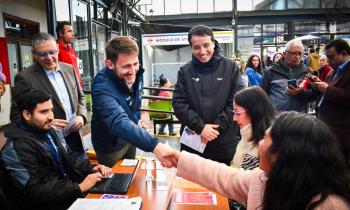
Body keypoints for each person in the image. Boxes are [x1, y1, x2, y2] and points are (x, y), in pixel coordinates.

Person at [167, 112, 350, 210]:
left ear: (282, 153)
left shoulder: (330, 205)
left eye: (265, 139)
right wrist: (177, 158)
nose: (259, 143)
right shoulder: (262, 180)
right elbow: (224, 176)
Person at [0, 89, 112, 210]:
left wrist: (91, 168)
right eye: (43, 112)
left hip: (67, 195)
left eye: (51, 110)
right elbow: (34, 191)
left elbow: (70, 156)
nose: (51, 117)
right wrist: (79, 187)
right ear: (27, 114)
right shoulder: (17, 148)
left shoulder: (49, 130)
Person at [92, 36, 176, 168]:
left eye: (135, 64)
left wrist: (136, 119)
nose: (132, 71)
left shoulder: (136, 71)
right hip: (111, 146)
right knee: (114, 184)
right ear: (109, 64)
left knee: (131, 173)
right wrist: (155, 145)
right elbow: (117, 121)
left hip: (131, 138)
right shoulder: (101, 87)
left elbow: (136, 98)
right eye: (126, 66)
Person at [173, 25, 243, 166]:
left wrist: (214, 128)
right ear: (191, 48)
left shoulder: (230, 68)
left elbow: (236, 102)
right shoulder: (185, 71)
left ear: (213, 43)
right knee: (189, 186)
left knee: (220, 185)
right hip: (193, 143)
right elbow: (179, 103)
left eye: (206, 45)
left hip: (223, 142)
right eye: (196, 47)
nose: (202, 51)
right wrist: (200, 127)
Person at [10, 32, 87, 156]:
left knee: (82, 171)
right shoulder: (24, 78)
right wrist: (45, 123)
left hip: (75, 138)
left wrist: (81, 116)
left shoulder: (69, 69)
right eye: (42, 54)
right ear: (34, 54)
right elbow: (16, 116)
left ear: (57, 50)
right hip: (48, 143)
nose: (49, 57)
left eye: (52, 52)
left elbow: (81, 97)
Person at [310, 38, 350, 162]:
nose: (328, 61)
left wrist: (327, 89)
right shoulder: (334, 71)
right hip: (329, 127)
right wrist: (317, 84)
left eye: (331, 57)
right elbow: (327, 92)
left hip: (343, 131)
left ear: (344, 53)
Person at [261, 39, 315, 113]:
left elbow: (313, 96)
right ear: (284, 54)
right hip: (277, 119)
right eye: (293, 53)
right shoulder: (270, 71)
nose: (297, 57)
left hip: (300, 119)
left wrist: (301, 92)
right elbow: (263, 96)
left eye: (300, 54)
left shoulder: (306, 72)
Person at [232, 86, 276, 170]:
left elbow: (245, 181)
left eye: (238, 113)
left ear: (254, 112)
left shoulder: (263, 148)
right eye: (234, 113)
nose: (234, 118)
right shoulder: (245, 137)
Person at [56, 21, 82, 87]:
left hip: (77, 87)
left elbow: (75, 69)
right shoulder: (55, 50)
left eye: (72, 31)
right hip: (66, 88)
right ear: (61, 33)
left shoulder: (71, 49)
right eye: (69, 31)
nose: (73, 34)